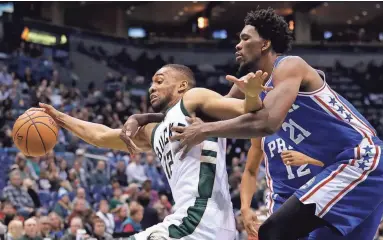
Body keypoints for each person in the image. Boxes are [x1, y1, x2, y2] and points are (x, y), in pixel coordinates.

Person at [169, 7, 383, 240]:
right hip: (344, 169)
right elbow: (211, 114)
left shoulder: (290, 66)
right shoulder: (245, 86)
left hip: (363, 160)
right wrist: (145, 119)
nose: (238, 45)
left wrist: (204, 130)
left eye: (245, 38)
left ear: (264, 44)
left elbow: (267, 122)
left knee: (274, 232)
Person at [29, 63, 269, 239]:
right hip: (198, 221)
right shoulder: (153, 130)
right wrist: (60, 118)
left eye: (160, 80)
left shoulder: (194, 99)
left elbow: (247, 111)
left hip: (201, 219)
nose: (152, 87)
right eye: (152, 82)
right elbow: (101, 136)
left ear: (182, 85)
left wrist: (250, 94)